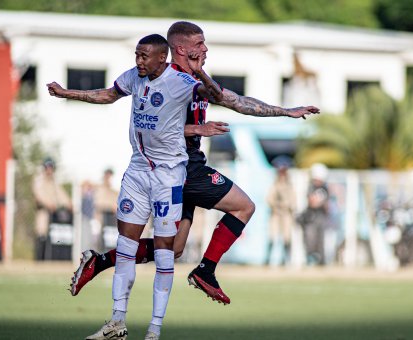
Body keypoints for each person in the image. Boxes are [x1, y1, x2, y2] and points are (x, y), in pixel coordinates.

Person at [68, 21, 320, 307]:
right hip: (182, 167)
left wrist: (286, 111)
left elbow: (236, 101)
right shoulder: (170, 81)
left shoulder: (196, 80)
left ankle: (99, 262)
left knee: (173, 249)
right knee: (244, 206)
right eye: (199, 44)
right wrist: (197, 129)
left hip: (186, 166)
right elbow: (155, 127)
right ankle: (206, 270)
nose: (205, 48)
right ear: (181, 49)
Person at [48, 33, 223, 340]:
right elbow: (106, 95)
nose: (138, 61)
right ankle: (117, 323)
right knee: (126, 245)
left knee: (166, 251)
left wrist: (199, 72)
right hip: (137, 171)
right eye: (137, 55)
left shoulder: (181, 83)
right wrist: (67, 94)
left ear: (161, 58)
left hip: (168, 176)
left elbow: (216, 95)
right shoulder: (134, 77)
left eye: (144, 56)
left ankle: (154, 329)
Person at [32, 157, 72, 260]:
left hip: (54, 213)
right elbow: (39, 195)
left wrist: (68, 203)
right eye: (47, 167)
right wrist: (48, 203)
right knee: (42, 232)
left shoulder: (54, 181)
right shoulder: (39, 180)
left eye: (51, 167)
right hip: (43, 211)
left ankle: (53, 259)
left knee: (57, 235)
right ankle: (39, 260)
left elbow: (61, 195)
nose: (49, 169)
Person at [296, 163, 331, 265]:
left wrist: (321, 203)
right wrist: (319, 202)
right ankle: (310, 259)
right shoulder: (310, 187)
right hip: (311, 218)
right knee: (310, 239)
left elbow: (326, 205)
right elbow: (312, 202)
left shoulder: (325, 188)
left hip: (321, 218)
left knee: (321, 241)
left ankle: (321, 261)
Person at [265, 155, 296, 266]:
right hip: (276, 214)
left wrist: (288, 206)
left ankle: (286, 260)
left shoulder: (289, 184)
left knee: (287, 238)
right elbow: (269, 199)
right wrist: (277, 206)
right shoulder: (275, 184)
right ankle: (267, 260)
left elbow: (293, 201)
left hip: (286, 214)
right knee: (272, 237)